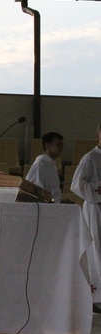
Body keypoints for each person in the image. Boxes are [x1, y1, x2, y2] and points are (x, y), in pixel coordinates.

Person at [71, 124, 101, 313]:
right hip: (95, 209)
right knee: (96, 251)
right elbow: (77, 184)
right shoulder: (90, 158)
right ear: (98, 134)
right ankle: (97, 296)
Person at [25, 131, 64, 203]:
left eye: (62, 145)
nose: (61, 148)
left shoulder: (52, 165)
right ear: (48, 146)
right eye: (58, 145)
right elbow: (35, 188)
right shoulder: (40, 164)